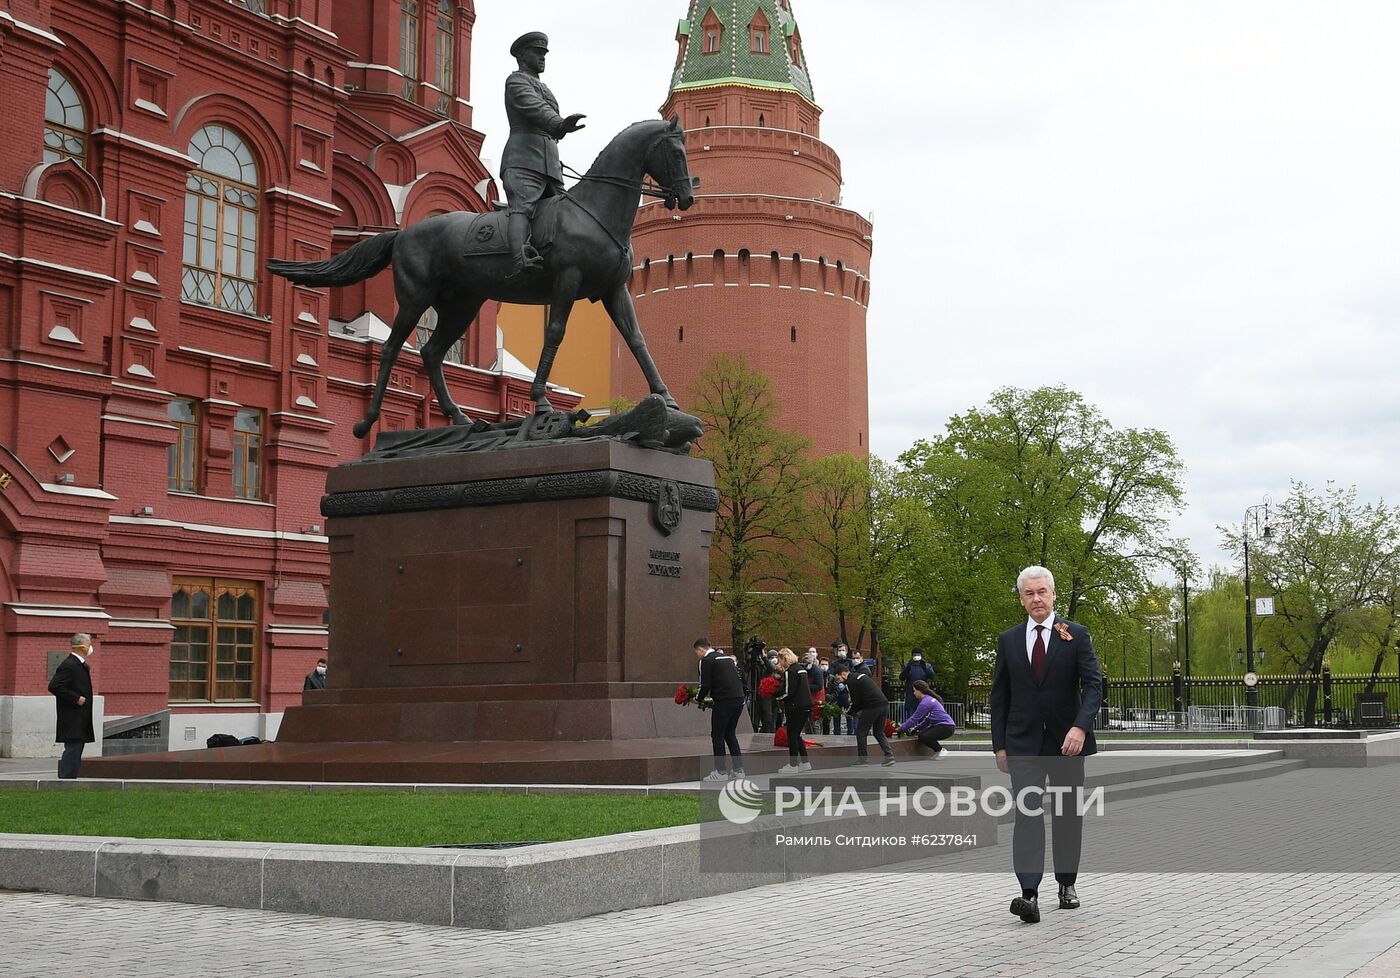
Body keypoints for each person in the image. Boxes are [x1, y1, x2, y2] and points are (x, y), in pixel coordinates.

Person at [990, 565, 1104, 924]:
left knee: (1067, 814)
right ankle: (1029, 893)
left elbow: (1094, 685)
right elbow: (999, 696)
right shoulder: (1009, 640)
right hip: (1022, 743)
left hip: (1067, 743)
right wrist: (999, 746)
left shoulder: (1075, 634)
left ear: (1053, 594)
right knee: (1027, 813)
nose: (1036, 598)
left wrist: (1080, 727)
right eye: (1029, 593)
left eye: (1042, 592)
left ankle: (1067, 883)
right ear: (1021, 599)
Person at [502, 32, 586, 278]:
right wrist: (559, 124)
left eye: (544, 53)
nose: (542, 57)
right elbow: (534, 108)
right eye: (537, 52)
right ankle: (519, 261)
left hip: (549, 164)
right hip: (523, 160)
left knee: (567, 212)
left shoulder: (544, 87)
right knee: (523, 207)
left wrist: (559, 130)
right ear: (521, 56)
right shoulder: (516, 81)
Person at [695, 637, 746, 781]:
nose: (697, 655)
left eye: (696, 652)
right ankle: (738, 770)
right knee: (730, 734)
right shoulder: (727, 658)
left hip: (724, 701)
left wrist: (698, 699)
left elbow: (705, 684)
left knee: (717, 735)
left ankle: (720, 771)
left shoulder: (706, 660)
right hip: (739, 699)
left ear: (701, 649)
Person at [47, 632, 97, 779]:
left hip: (79, 715)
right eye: (89, 644)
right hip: (72, 716)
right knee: (73, 747)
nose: (90, 647)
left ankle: (70, 777)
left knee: (77, 747)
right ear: (82, 647)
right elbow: (55, 686)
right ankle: (66, 778)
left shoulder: (79, 664)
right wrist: (75, 698)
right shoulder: (69, 665)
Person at [830, 660, 893, 766]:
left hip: (873, 706)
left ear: (844, 674)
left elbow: (857, 701)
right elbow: (862, 699)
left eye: (838, 679)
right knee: (879, 732)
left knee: (861, 733)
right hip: (884, 704)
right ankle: (889, 756)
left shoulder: (851, 682)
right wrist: (853, 710)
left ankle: (863, 760)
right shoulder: (859, 677)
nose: (839, 682)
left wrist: (850, 711)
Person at [775, 648, 812, 773]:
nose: (780, 663)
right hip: (806, 705)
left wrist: (776, 697)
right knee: (797, 734)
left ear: (785, 659)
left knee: (792, 735)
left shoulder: (790, 671)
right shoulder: (801, 669)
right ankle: (805, 762)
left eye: (780, 660)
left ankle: (793, 765)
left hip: (796, 706)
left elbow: (788, 691)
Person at [896, 680, 955, 754]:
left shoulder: (925, 702)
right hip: (946, 726)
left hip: (945, 727)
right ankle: (938, 751)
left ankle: (940, 750)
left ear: (920, 691)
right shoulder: (928, 699)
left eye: (914, 691)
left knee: (924, 737)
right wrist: (916, 728)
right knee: (921, 735)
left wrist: (901, 728)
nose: (914, 693)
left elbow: (914, 719)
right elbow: (928, 720)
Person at [899, 648, 937, 717]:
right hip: (911, 695)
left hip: (923, 695)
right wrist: (908, 667)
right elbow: (902, 678)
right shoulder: (907, 665)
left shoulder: (927, 666)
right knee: (911, 716)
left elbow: (932, 676)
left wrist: (924, 667)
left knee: (924, 715)